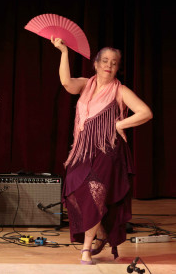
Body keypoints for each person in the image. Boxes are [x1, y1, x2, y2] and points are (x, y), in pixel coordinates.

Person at [51, 36, 153, 264]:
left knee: (95, 194)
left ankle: (86, 249)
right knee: (75, 192)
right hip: (83, 150)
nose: (109, 65)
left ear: (117, 67)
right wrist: (64, 52)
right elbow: (66, 82)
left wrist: (119, 124)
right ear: (96, 64)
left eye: (114, 62)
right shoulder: (86, 84)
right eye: (105, 60)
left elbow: (145, 112)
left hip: (108, 150)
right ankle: (101, 233)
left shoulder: (120, 90)